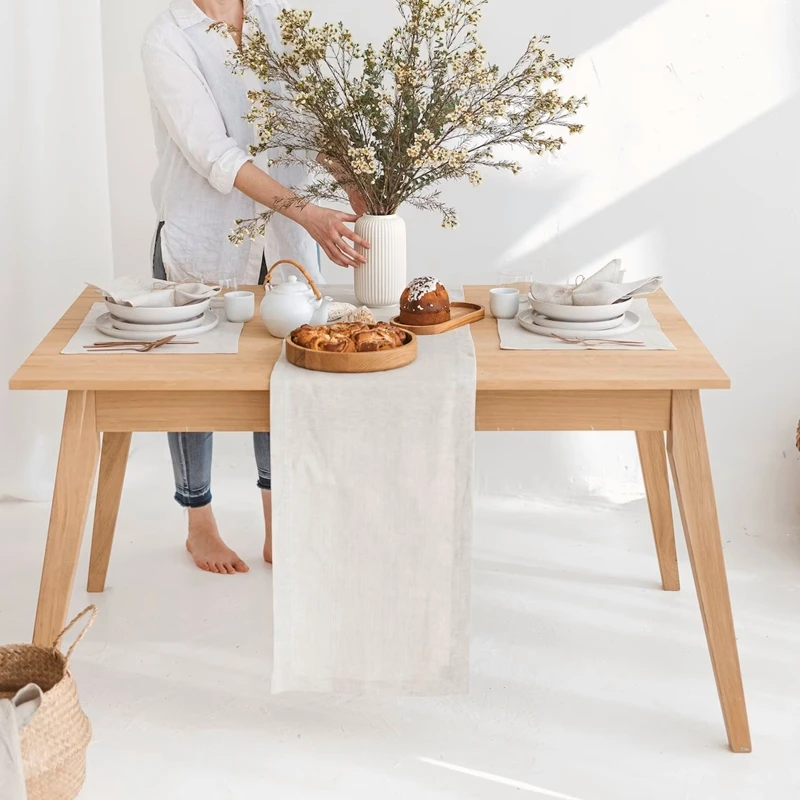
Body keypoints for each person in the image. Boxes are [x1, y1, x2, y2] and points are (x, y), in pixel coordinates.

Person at [142, 0, 368, 574]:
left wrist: (361, 187)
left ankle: (277, 524)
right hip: (205, 240)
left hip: (287, 243)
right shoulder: (168, 38)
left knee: (286, 379)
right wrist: (308, 212)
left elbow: (314, 125)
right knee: (191, 390)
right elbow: (214, 154)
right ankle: (200, 525)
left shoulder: (279, 18)